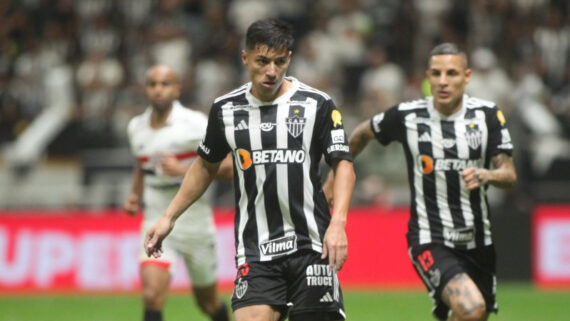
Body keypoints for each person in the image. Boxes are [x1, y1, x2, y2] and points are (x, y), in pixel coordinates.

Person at [144, 18, 356, 321]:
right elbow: (205, 166)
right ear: (245, 58)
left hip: (312, 245)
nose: (271, 71)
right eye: (262, 61)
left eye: (280, 62)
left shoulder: (316, 104)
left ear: (289, 59)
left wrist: (338, 224)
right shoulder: (226, 109)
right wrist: (169, 217)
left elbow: (344, 163)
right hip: (256, 251)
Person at [324, 43, 517, 321]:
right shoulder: (408, 115)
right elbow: (360, 134)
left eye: (451, 73)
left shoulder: (487, 116)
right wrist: (333, 176)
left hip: (477, 240)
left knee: (474, 314)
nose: (442, 81)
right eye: (435, 73)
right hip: (430, 238)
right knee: (472, 309)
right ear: (427, 76)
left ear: (467, 76)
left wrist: (488, 175)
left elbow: (509, 175)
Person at [123, 65, 232, 321]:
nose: (158, 90)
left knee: (207, 303)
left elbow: (229, 167)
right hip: (155, 216)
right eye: (152, 84)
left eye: (165, 84)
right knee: (151, 295)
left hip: (194, 219)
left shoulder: (195, 124)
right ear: (145, 89)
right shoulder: (136, 127)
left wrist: (182, 170)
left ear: (177, 89)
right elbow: (141, 164)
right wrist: (135, 195)